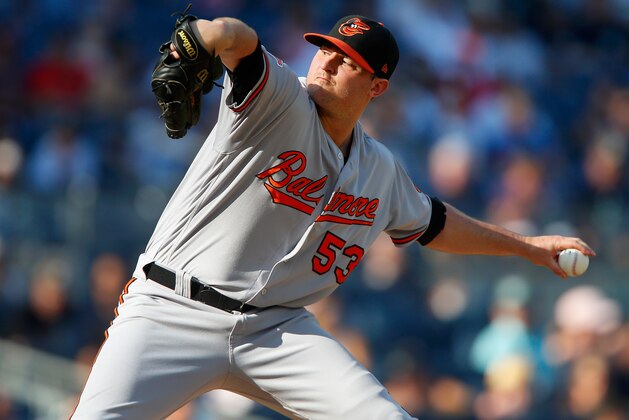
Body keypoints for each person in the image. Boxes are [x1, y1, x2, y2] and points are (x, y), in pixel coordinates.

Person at [71, 13, 595, 419]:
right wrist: (201, 37)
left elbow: (434, 223)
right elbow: (238, 38)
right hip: (170, 308)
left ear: (377, 86)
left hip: (275, 331)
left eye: (346, 60)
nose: (325, 62)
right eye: (325, 49)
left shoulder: (379, 169)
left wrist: (528, 246)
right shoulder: (278, 100)